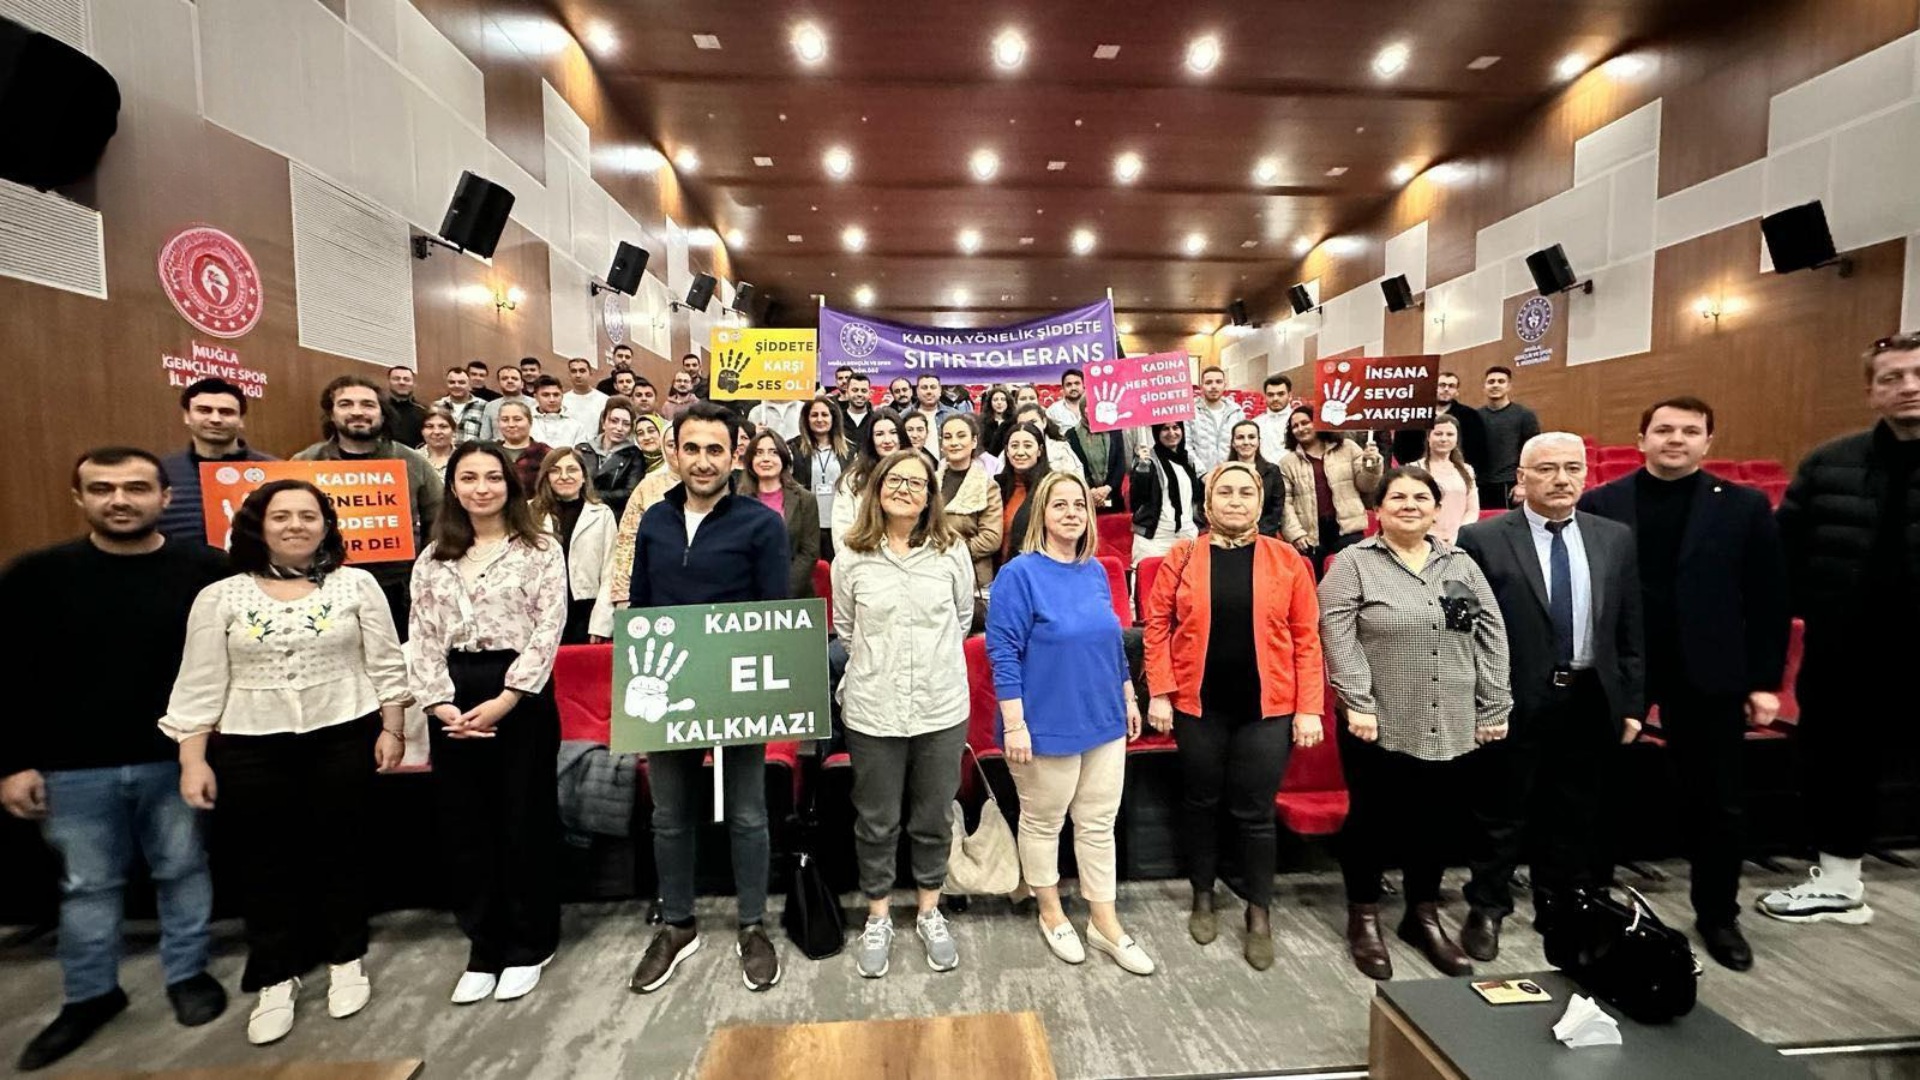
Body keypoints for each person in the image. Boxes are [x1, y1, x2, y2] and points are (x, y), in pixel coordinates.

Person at [1, 449, 229, 1072]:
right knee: (88, 886)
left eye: (135, 488)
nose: (120, 500)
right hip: (72, 766)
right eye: (102, 489)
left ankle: (187, 975)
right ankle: (90, 994)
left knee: (182, 869)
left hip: (176, 758)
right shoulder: (36, 576)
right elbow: (8, 676)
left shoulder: (207, 571)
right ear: (79, 498)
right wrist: (13, 763)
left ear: (166, 498)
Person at [162, 481, 408, 1044]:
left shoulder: (356, 584)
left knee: (343, 850)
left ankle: (346, 957)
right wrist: (192, 760)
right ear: (258, 525)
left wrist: (392, 727)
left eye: (308, 516)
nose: (295, 525)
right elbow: (199, 683)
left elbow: (386, 663)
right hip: (252, 745)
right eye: (281, 516)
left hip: (343, 733)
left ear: (326, 526)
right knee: (264, 861)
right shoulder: (220, 597)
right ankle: (276, 974)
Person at [1579, 397, 1788, 970]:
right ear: (1641, 439)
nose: (1676, 439)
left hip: (1709, 670)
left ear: (1707, 442)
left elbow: (1768, 600)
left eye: (1690, 431)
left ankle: (1717, 914)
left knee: (1718, 802)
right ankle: (1590, 900)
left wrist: (1763, 682)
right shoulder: (1601, 502)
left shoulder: (1744, 507)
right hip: (1624, 665)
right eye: (1664, 429)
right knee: (1601, 789)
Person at [1454, 432, 1644, 962]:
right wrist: (1477, 699)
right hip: (1511, 697)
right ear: (1521, 478)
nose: (1562, 479)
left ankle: (1559, 905)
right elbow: (1461, 627)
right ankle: (1488, 905)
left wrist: (1632, 702)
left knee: (1574, 811)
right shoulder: (1481, 538)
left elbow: (1630, 626)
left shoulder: (1614, 538)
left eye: (1572, 468)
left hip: (1590, 696)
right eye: (1546, 469)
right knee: (1501, 810)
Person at [1319, 467, 1512, 980]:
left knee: (1439, 821)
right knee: (1372, 821)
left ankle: (1421, 915)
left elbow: (1486, 635)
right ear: (1378, 509)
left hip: (1451, 717)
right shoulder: (1355, 564)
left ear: (1436, 508)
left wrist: (1494, 705)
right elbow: (1338, 636)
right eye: (1398, 497)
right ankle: (1363, 916)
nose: (1410, 505)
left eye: (1421, 497)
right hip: (1379, 719)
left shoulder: (1458, 565)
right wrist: (1357, 702)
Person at [625, 403, 790, 995]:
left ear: (734, 455)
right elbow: (641, 607)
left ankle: (753, 924)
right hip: (668, 687)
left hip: (737, 686)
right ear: (673, 452)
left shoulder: (761, 524)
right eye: (691, 448)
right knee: (669, 816)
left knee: (748, 813)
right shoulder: (653, 521)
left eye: (714, 450)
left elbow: (775, 614)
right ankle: (677, 924)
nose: (702, 461)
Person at [1762, 335, 1920, 927]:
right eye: (1892, 377)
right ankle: (1838, 882)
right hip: (1846, 648)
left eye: (1917, 374)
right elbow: (1783, 558)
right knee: (1838, 766)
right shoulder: (1829, 463)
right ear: (1871, 391)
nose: (1908, 386)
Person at [1143, 461, 1325, 970]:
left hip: (1268, 709)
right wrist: (1161, 693)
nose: (1236, 500)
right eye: (1225, 492)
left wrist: (1309, 708)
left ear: (1259, 501)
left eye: (1246, 492)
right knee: (1201, 802)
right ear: (1208, 503)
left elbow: (1307, 638)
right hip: (1197, 705)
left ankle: (1258, 912)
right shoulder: (1182, 556)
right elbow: (1157, 627)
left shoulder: (1287, 559)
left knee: (1255, 813)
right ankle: (1203, 894)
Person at [408, 442, 568, 1004]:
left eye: (493, 477)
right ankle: (484, 943)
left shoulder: (540, 549)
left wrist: (506, 698)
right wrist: (438, 704)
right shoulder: (433, 558)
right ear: (453, 487)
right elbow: (422, 636)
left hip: (519, 692)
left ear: (510, 485)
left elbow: (549, 629)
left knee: (524, 819)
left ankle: (530, 942)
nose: (482, 488)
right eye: (469, 478)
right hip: (453, 695)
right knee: (466, 825)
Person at [987, 472, 1154, 975]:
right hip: (1043, 722)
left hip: (1103, 716)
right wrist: (1015, 724)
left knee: (1099, 824)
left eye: (1079, 504)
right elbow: (1003, 653)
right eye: (1059, 504)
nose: (1071, 513)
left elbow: (1112, 640)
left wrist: (1128, 694)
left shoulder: (1096, 570)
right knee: (1043, 822)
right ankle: (1051, 911)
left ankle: (1104, 923)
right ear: (1041, 513)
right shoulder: (1019, 574)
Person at [832, 449, 974, 978]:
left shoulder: (951, 550)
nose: (905, 489)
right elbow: (847, 629)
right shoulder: (851, 555)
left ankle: (930, 911)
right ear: (877, 488)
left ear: (930, 496)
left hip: (940, 705)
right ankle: (878, 915)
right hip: (874, 707)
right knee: (876, 820)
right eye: (895, 480)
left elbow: (962, 618)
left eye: (917, 482)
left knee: (933, 816)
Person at [293, 376, 443, 631]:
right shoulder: (304, 463)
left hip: (397, 588)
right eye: (346, 404)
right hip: (323, 585)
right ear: (331, 414)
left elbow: (439, 518)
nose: (357, 412)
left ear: (382, 414)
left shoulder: (412, 462)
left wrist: (422, 571)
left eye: (368, 405)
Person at [158, 377, 277, 542]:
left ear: (241, 420)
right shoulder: (161, 471)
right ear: (186, 416)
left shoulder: (274, 470)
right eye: (204, 410)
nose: (215, 419)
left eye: (226, 412)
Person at [1279, 405, 1384, 579]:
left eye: (1305, 422)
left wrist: (1371, 464)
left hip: (1348, 529)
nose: (1300, 428)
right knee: (1316, 584)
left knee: (1353, 581)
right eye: (1295, 426)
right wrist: (1295, 534)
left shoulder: (1348, 448)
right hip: (1310, 536)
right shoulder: (1287, 463)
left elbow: (1367, 486)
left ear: (1319, 422)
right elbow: (1285, 502)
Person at [529, 447, 617, 645]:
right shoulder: (529, 513)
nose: (564, 476)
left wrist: (601, 622)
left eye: (572, 469)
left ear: (584, 476)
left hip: (585, 614)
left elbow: (610, 571)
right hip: (539, 613)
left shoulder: (602, 514)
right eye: (555, 470)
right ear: (546, 477)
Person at [935, 413, 1004, 630]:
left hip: (972, 580)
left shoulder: (987, 485)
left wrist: (952, 552)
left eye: (961, 436)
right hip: (932, 576)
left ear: (974, 441)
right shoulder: (930, 482)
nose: (954, 442)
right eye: (948, 437)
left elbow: (991, 538)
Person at [738, 431, 821, 598]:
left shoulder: (805, 500)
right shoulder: (737, 501)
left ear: (783, 457)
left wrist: (782, 591)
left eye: (773, 452)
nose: (766, 459)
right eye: (759, 453)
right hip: (748, 597)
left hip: (794, 595)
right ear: (750, 460)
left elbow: (809, 553)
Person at [1129, 422, 1201, 569]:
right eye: (1165, 429)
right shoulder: (1147, 460)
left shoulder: (1188, 460)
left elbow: (1194, 497)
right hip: (1154, 538)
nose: (1172, 433)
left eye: (1176, 428)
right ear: (1157, 432)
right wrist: (1142, 468)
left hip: (1186, 535)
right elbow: (1136, 499)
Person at [831, 409, 904, 552]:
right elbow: (841, 529)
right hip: (862, 556)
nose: (887, 440)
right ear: (871, 440)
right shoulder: (853, 479)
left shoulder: (916, 474)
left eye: (893, 432)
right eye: (879, 434)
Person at [789, 397, 850, 560]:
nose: (820, 419)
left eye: (825, 414)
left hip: (839, 525)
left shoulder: (850, 450)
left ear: (833, 418)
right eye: (814, 415)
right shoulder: (793, 448)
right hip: (807, 524)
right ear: (806, 419)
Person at [1393, 371, 1486, 473]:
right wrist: (1411, 469)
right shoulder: (1414, 414)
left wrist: (1464, 471)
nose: (1446, 389)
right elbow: (1400, 445)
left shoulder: (1469, 416)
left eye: (1451, 386)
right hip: (1417, 472)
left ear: (1457, 391)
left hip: (1455, 472)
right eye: (1442, 385)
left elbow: (1477, 449)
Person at [1478, 366, 1539, 509]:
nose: (1495, 385)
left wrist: (1523, 484)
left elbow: (1533, 452)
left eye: (1501, 381)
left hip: (1511, 485)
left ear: (1509, 386)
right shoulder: (1474, 416)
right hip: (1479, 485)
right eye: (1491, 382)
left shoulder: (1524, 415)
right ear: (1484, 387)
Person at [1415, 414, 1480, 543]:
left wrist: (1457, 535)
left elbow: (1472, 510)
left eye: (1450, 434)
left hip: (1459, 540)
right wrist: (1432, 537)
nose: (1444, 439)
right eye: (1438, 434)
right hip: (1423, 540)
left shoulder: (1467, 470)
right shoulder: (1415, 469)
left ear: (1457, 439)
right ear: (1428, 437)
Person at [575, 397, 641, 516]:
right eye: (614, 421)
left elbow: (630, 492)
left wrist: (593, 496)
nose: (619, 428)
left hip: (612, 513)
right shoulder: (583, 449)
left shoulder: (634, 455)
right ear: (603, 422)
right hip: (578, 509)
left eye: (626, 424)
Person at [997, 423, 1053, 563]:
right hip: (998, 569)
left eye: (1027, 446)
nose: (1020, 452)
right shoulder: (996, 486)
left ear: (1040, 450)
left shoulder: (1051, 488)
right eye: (1014, 446)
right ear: (1007, 451)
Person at [1066, 397, 1127, 514]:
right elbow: (1073, 467)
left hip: (1113, 498)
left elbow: (1120, 464)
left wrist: (1107, 488)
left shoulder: (1115, 431)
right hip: (1084, 500)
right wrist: (1091, 491)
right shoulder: (1071, 435)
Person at [1226, 420, 1286, 538]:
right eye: (1240, 437)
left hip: (1264, 536)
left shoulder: (1272, 472)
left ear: (1258, 441)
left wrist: (1256, 534)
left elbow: (1276, 509)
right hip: (1230, 537)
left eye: (1251, 437)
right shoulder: (1223, 473)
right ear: (1233, 443)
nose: (1246, 442)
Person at [1188, 366, 1247, 475]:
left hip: (1231, 476)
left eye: (1218, 382)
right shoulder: (1190, 411)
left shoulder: (1236, 412)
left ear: (1225, 385)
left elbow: (1243, 446)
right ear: (1201, 386)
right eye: (1208, 382)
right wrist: (1202, 474)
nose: (1214, 386)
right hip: (1199, 477)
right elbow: (1187, 447)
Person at [1011, 402, 1085, 480]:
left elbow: (1076, 476)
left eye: (1033, 422)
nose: (1029, 426)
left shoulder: (1060, 448)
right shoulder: (1011, 450)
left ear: (1044, 422)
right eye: (1023, 423)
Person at [529, 375, 587, 450]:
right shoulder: (527, 422)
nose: (552, 400)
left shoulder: (576, 425)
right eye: (546, 395)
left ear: (562, 396)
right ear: (536, 397)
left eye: (556, 395)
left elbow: (580, 453)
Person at [1250, 374, 1295, 466]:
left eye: (1280, 394)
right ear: (1265, 397)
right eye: (1270, 395)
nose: (1275, 398)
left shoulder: (1299, 422)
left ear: (1290, 395)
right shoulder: (1255, 424)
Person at [436, 366, 489, 444]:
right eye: (452, 382)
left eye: (461, 382)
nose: (456, 385)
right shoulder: (437, 406)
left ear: (469, 384)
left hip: (473, 451)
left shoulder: (484, 406)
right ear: (447, 384)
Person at [481, 363, 529, 440]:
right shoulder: (490, 406)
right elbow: (485, 437)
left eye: (514, 378)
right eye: (504, 378)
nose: (510, 381)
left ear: (522, 384)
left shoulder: (535, 404)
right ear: (499, 383)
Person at [563, 357, 609, 425]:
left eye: (582, 371)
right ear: (569, 374)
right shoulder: (562, 401)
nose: (578, 375)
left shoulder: (605, 400)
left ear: (590, 373)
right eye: (573, 371)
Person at [978, 384, 1016, 458]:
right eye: (995, 400)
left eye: (1003, 399)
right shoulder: (983, 422)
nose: (999, 403)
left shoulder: (1014, 421)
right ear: (990, 402)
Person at [840, 373, 875, 446]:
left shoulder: (876, 420)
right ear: (847, 392)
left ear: (869, 393)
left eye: (864, 391)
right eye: (855, 390)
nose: (859, 394)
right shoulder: (837, 420)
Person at [420, 408, 458, 473]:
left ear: (453, 430)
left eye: (443, 426)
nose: (436, 432)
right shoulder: (411, 459)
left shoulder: (464, 459)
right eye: (430, 426)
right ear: (422, 431)